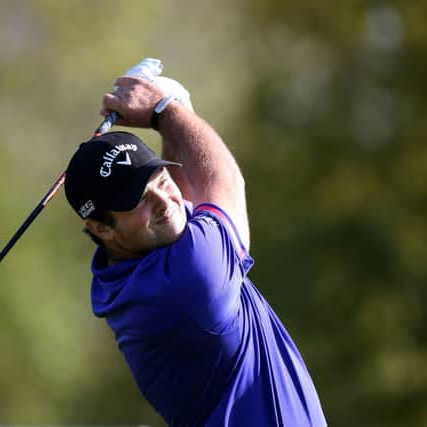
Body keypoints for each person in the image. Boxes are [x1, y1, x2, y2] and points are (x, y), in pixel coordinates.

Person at [64, 73, 326, 426]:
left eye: (158, 178)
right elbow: (225, 181)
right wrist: (165, 109)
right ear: (100, 227)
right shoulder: (189, 284)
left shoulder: (126, 270)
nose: (162, 200)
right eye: (138, 199)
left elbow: (183, 202)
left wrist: (170, 119)